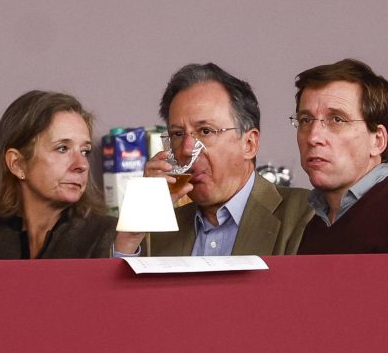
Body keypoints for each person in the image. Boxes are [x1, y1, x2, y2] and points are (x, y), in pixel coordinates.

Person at [114, 63, 314, 256]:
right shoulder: (157, 229)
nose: (187, 149)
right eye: (177, 134)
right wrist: (131, 235)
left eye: (205, 131)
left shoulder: (305, 213)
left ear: (249, 144)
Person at [0, 90, 116, 260]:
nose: (82, 165)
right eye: (62, 148)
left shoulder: (111, 238)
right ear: (17, 164)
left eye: (85, 151)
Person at [292, 59, 388, 254]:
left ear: (377, 140)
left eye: (337, 119)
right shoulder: (311, 225)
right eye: (305, 120)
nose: (313, 136)